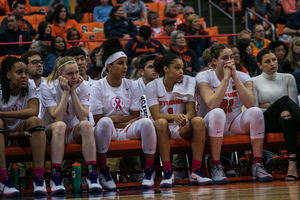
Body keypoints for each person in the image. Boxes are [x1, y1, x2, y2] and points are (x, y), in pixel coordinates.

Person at [196, 44, 273, 184]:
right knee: (217, 112)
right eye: (224, 58)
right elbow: (212, 104)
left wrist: (235, 78)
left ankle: (257, 164)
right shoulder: (204, 76)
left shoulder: (243, 76)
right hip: (209, 124)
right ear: (214, 61)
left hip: (233, 123)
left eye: (231, 57)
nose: (230, 61)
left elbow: (250, 103)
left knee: (256, 112)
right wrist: (226, 79)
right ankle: (216, 165)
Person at [91, 37, 157, 190]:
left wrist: (114, 118)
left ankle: (148, 171)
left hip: (127, 129)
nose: (125, 67)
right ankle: (103, 169)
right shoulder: (97, 86)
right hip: (108, 131)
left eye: (126, 63)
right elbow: (99, 120)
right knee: (105, 123)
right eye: (120, 63)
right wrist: (122, 120)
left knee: (147, 122)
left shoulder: (131, 85)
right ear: (109, 66)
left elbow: (136, 116)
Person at [146, 54, 212, 187]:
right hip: (161, 127)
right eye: (177, 68)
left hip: (180, 127)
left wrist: (185, 118)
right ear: (166, 69)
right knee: (161, 122)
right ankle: (168, 172)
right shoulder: (152, 85)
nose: (181, 71)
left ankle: (196, 171)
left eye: (182, 68)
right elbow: (156, 115)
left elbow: (191, 112)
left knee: (198, 121)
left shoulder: (188, 82)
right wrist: (175, 117)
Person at [40, 56, 103, 194]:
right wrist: (66, 91)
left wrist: (73, 91)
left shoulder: (84, 85)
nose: (75, 76)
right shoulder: (47, 85)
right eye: (70, 73)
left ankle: (92, 175)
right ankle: (56, 177)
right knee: (60, 125)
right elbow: (57, 117)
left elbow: (82, 116)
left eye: (77, 72)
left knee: (86, 125)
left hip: (72, 132)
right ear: (60, 74)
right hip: (51, 133)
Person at [0, 56, 47, 196]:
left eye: (26, 72)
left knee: (35, 121)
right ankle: (2, 178)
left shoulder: (30, 84)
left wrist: (2, 114)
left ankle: (39, 178)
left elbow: (34, 111)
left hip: (23, 132)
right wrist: (13, 134)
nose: (24, 76)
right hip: (5, 135)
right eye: (19, 72)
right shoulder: (1, 90)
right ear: (8, 75)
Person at [253, 48, 299, 181]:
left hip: (287, 121)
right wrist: (276, 107)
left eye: (274, 60)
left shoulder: (288, 78)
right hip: (266, 122)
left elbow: (294, 106)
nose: (272, 63)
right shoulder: (254, 81)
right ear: (260, 65)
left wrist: (269, 105)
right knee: (284, 101)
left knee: (287, 117)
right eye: (267, 61)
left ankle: (292, 164)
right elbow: (255, 110)